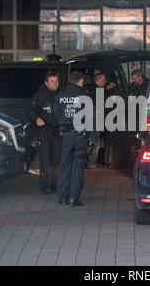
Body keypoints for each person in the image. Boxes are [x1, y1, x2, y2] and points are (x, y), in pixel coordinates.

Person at [54, 70, 89, 207]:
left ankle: (63, 198)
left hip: (66, 135)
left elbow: (56, 113)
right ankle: (74, 198)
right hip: (80, 135)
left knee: (65, 166)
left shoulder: (60, 95)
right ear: (81, 81)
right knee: (78, 166)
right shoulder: (84, 96)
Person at [27, 70, 61, 194]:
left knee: (56, 159)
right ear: (46, 83)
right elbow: (30, 110)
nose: (55, 84)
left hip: (57, 131)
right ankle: (45, 185)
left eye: (57, 81)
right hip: (44, 132)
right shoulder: (39, 95)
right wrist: (36, 119)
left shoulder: (61, 95)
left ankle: (55, 184)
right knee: (45, 159)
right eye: (52, 81)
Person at [87, 73, 112, 169]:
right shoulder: (98, 92)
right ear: (98, 81)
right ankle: (91, 163)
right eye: (104, 80)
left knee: (92, 141)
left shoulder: (91, 90)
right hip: (95, 120)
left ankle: (90, 162)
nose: (105, 81)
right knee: (95, 141)